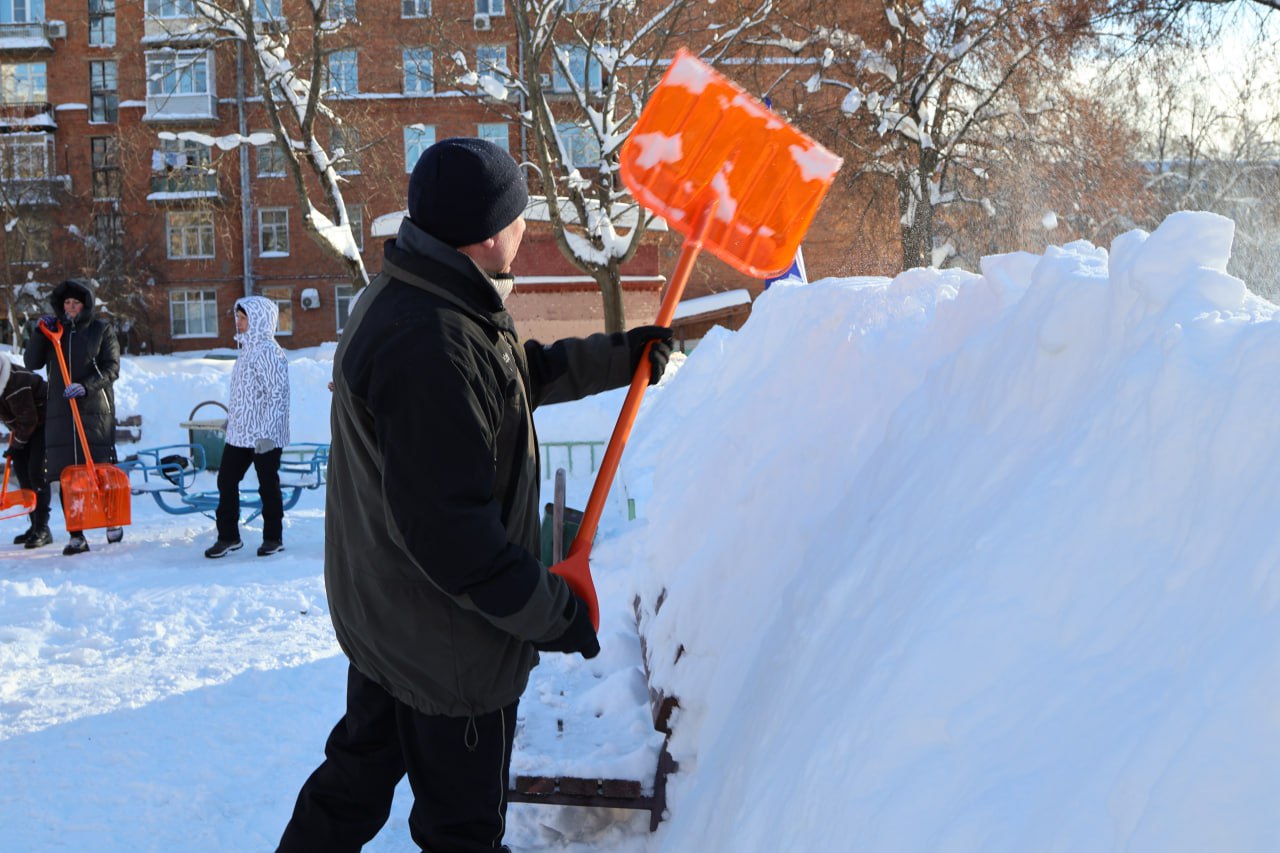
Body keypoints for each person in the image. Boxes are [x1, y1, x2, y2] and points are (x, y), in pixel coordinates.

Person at [277, 137, 672, 853]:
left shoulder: (424, 292)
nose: (528, 229)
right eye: (522, 216)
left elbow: (505, 379)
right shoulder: (432, 341)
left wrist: (619, 358)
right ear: (489, 233)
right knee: (461, 830)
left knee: (353, 784)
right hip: (447, 650)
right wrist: (553, 615)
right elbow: (454, 538)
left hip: (393, 620)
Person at [24, 278, 122, 555]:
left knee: (99, 470)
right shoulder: (55, 331)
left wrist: (86, 386)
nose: (70, 307)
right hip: (61, 414)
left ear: (85, 304)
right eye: (66, 303)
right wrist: (39, 334)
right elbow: (32, 363)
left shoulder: (101, 330)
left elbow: (112, 367)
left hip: (94, 412)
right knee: (69, 476)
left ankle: (111, 520)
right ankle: (76, 534)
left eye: (75, 303)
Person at [204, 296, 290, 559]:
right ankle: (228, 536)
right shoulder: (246, 350)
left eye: (244, 318)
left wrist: (268, 434)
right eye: (238, 318)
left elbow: (278, 396)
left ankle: (273, 537)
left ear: (259, 320)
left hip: (265, 435)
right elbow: (246, 394)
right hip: (240, 434)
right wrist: (234, 420)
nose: (239, 323)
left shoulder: (270, 352)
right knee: (226, 480)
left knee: (268, 485)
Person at [0, 356, 53, 549]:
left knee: (36, 472)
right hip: (25, 426)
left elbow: (29, 420)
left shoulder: (16, 383)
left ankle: (43, 529)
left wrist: (16, 445)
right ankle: (34, 526)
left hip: (45, 421)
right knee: (22, 472)